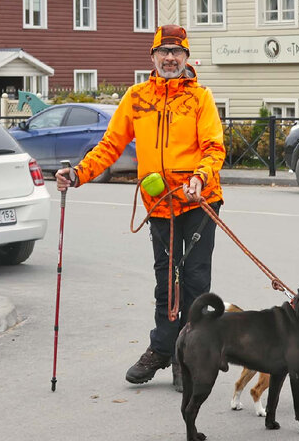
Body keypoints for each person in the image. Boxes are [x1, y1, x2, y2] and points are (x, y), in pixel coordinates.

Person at [56, 24, 225, 390]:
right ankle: (163, 348)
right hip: (159, 205)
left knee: (195, 282)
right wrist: (78, 173)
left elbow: (214, 147)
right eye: (163, 52)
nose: (169, 58)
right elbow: (109, 145)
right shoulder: (136, 97)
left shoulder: (200, 98)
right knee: (166, 281)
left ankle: (190, 357)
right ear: (152, 57)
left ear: (186, 57)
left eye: (176, 52)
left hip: (199, 201)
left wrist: (199, 176)